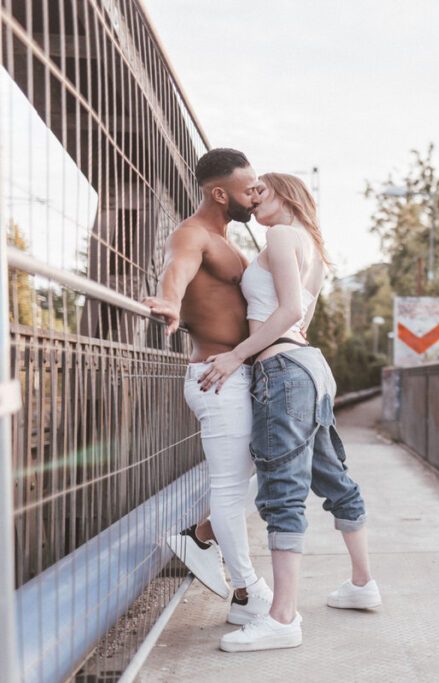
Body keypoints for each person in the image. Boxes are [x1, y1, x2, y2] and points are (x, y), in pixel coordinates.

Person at [200, 172, 381, 653]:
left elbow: (288, 313)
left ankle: (282, 618)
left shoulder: (281, 235)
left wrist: (237, 355)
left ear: (288, 195)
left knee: (282, 488)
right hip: (308, 368)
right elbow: (302, 319)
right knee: (331, 474)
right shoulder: (313, 248)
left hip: (282, 369)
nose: (253, 199)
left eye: (262, 191)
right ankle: (362, 584)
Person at [143, 148, 274, 627]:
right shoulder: (192, 234)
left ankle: (199, 537)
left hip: (238, 374)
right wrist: (171, 304)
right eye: (248, 189)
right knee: (229, 485)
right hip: (217, 378)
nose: (255, 196)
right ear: (220, 193)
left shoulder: (228, 240)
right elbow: (175, 272)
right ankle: (246, 594)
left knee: (264, 469)